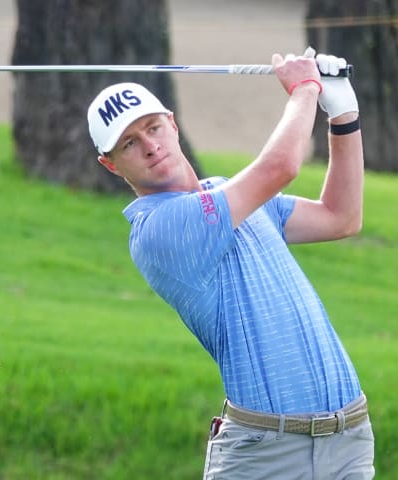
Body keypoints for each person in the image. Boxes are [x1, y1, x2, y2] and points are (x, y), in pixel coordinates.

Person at [87, 47, 372, 479]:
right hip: (266, 455)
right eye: (130, 143)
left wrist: (343, 116)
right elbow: (281, 166)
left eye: (153, 127)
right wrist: (305, 89)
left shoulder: (229, 194)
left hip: (348, 439)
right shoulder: (158, 230)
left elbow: (341, 216)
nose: (150, 146)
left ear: (173, 124)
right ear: (111, 165)